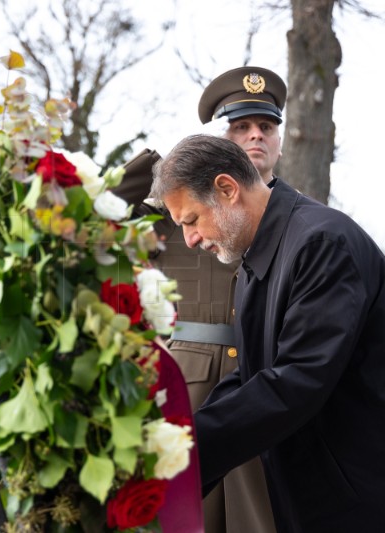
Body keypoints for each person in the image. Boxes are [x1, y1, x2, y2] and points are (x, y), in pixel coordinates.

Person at [151, 133, 385, 532]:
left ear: (226, 189)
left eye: (191, 220)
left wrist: (184, 456)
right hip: (311, 490)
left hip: (354, 493)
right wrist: (176, 438)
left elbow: (296, 380)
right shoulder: (255, 259)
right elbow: (250, 373)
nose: (189, 239)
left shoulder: (321, 243)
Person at [114, 66, 285, 533]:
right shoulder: (178, 208)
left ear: (279, 140)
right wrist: (168, 169)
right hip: (190, 384)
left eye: (266, 127)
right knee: (188, 518)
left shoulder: (298, 216)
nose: (255, 136)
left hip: (261, 384)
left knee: (261, 519)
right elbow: (103, 212)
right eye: (240, 127)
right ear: (222, 138)